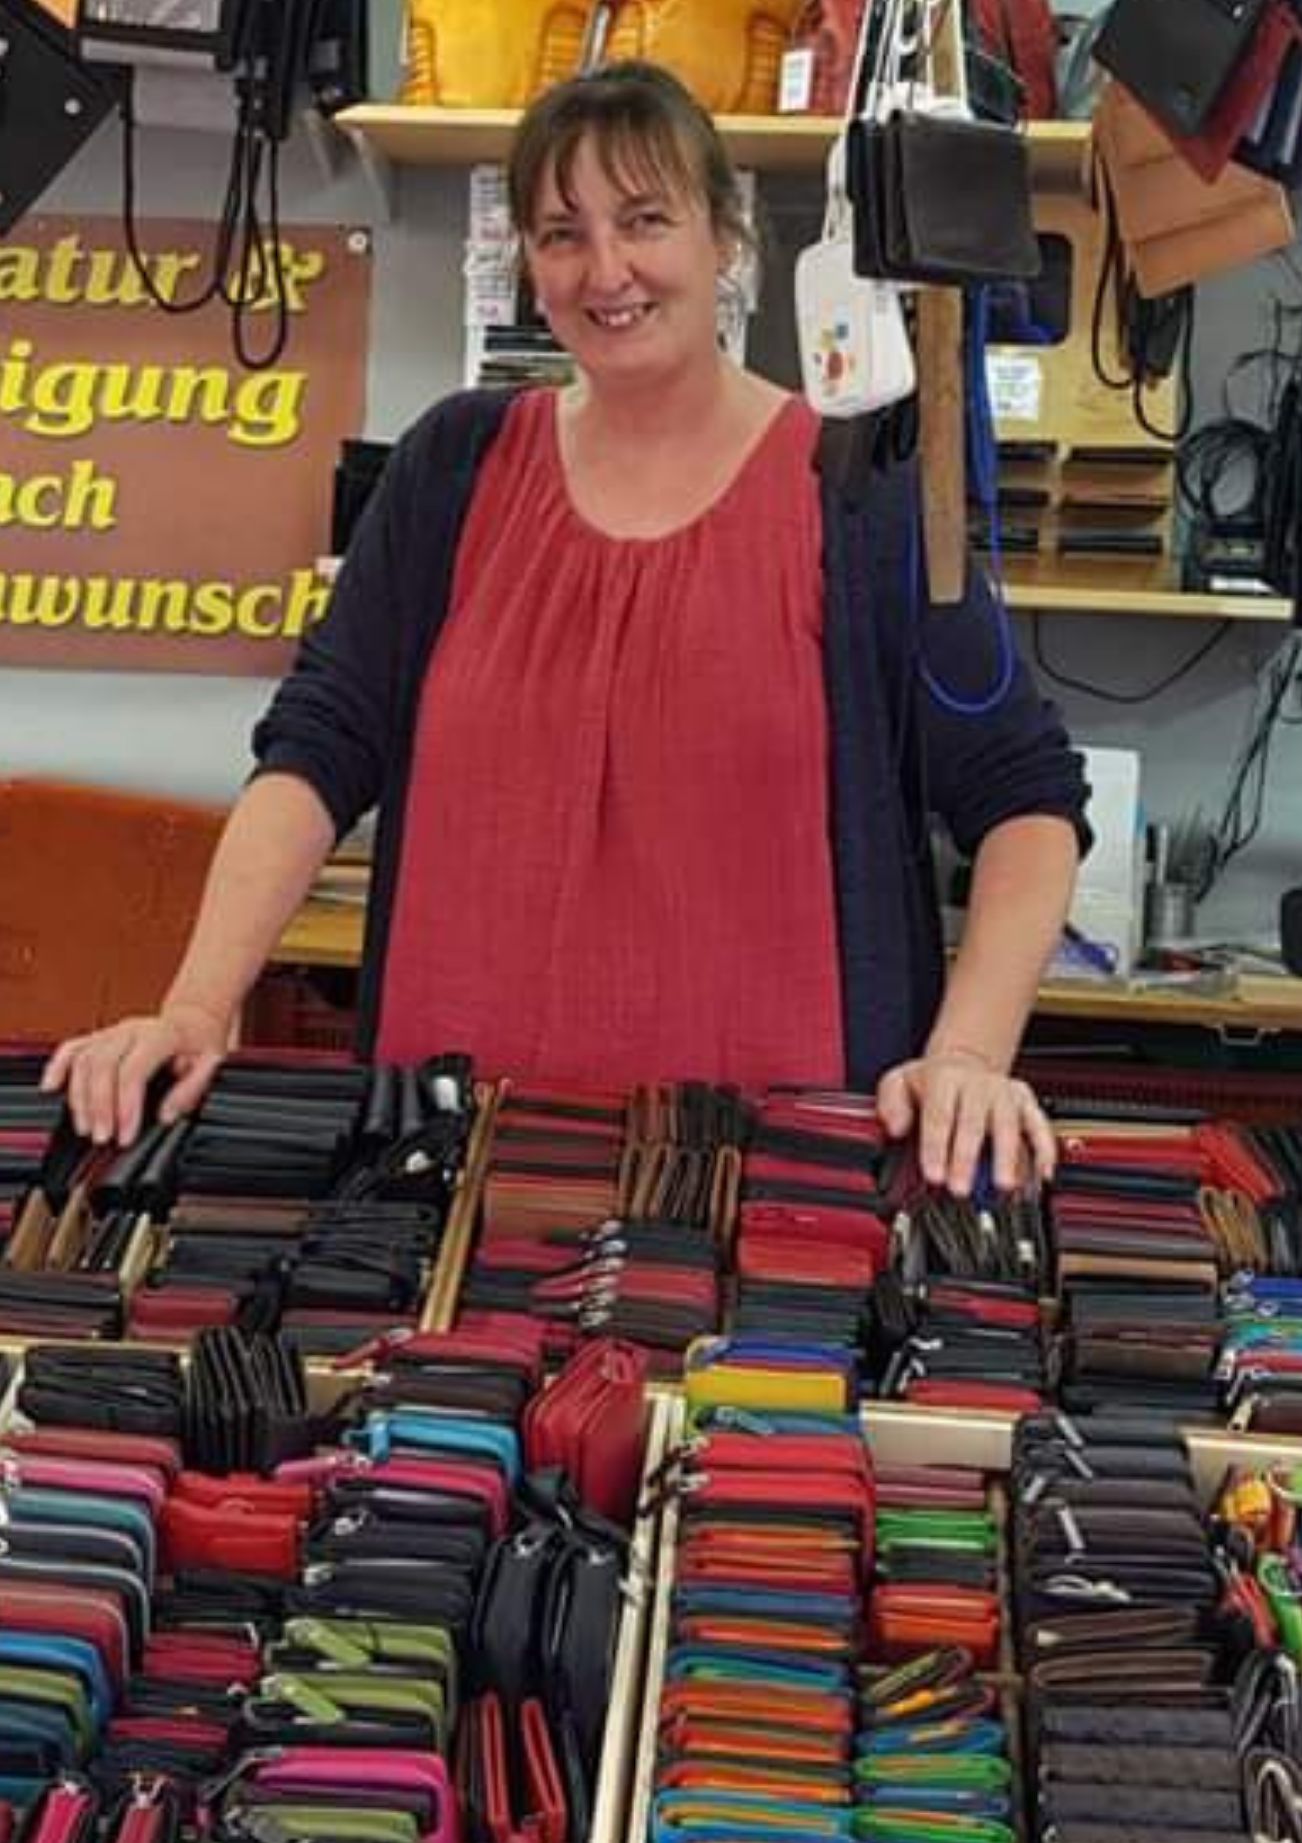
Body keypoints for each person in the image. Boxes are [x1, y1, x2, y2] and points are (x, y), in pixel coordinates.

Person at [45, 61, 1090, 1196]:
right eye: (562, 233)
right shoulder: (454, 465)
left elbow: (1025, 801)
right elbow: (316, 748)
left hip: (766, 1191)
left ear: (725, 239)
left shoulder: (856, 490)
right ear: (529, 267)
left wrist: (967, 1057)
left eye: (644, 221)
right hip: (445, 1171)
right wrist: (196, 1007)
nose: (606, 270)